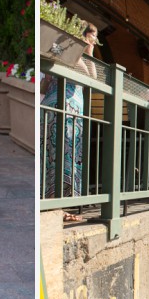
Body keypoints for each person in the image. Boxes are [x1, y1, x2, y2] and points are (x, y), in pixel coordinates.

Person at [40, 22, 98, 222]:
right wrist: (86, 51)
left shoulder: (66, 52)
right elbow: (91, 78)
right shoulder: (72, 53)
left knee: (60, 158)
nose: (94, 42)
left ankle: (55, 208)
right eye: (92, 38)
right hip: (64, 111)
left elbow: (92, 78)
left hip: (64, 111)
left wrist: (88, 51)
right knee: (60, 157)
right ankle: (55, 208)